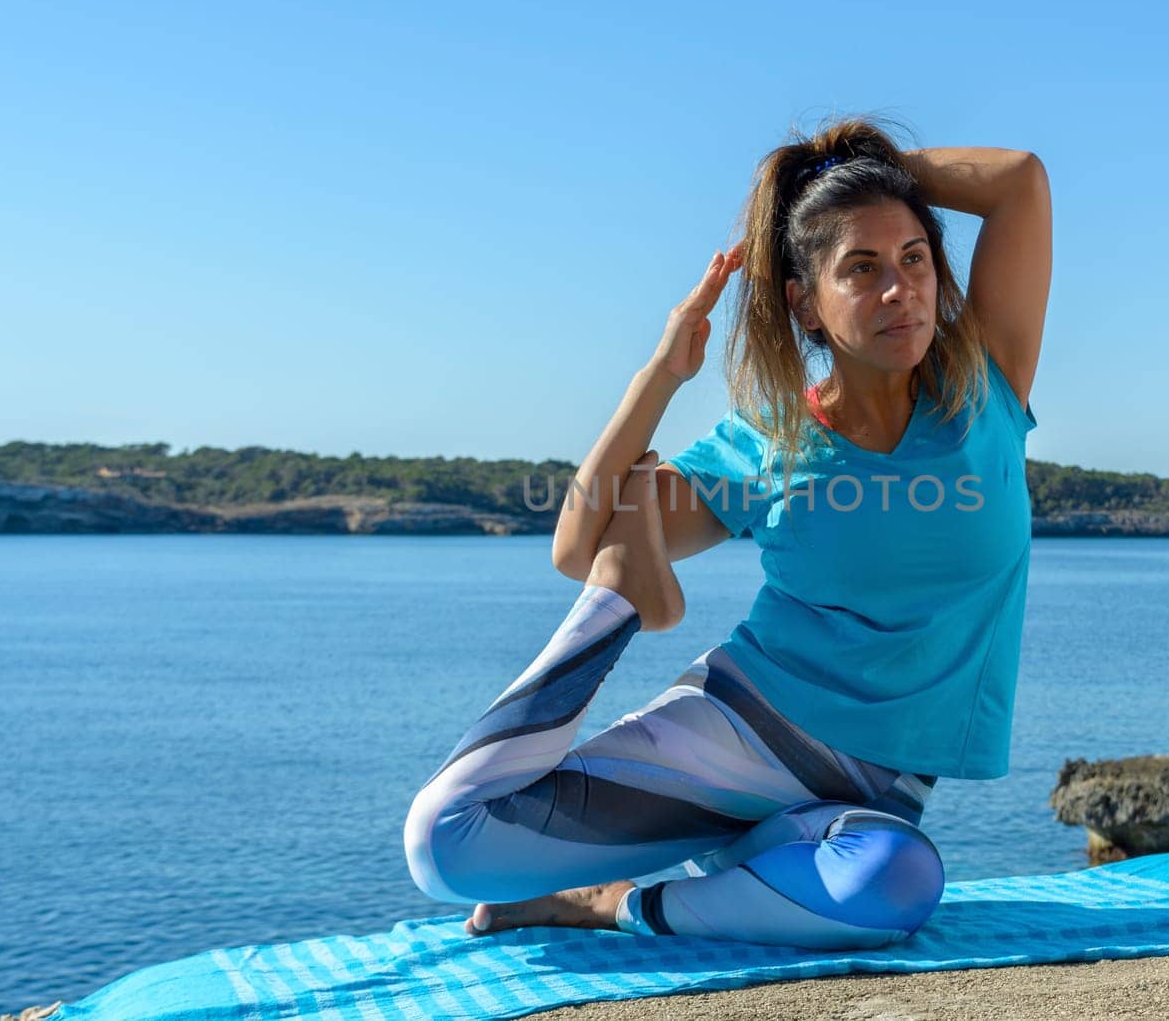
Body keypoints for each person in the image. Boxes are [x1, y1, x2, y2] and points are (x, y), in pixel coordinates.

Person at [403, 116, 1051, 949]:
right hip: (739, 733)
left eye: (914, 258)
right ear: (803, 302)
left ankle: (612, 904)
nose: (901, 289)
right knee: (445, 842)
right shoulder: (774, 441)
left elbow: (1020, 182)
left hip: (869, 795)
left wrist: (861, 167)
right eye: (861, 268)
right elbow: (575, 542)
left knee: (897, 881)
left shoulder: (985, 386)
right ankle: (626, 599)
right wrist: (661, 375)